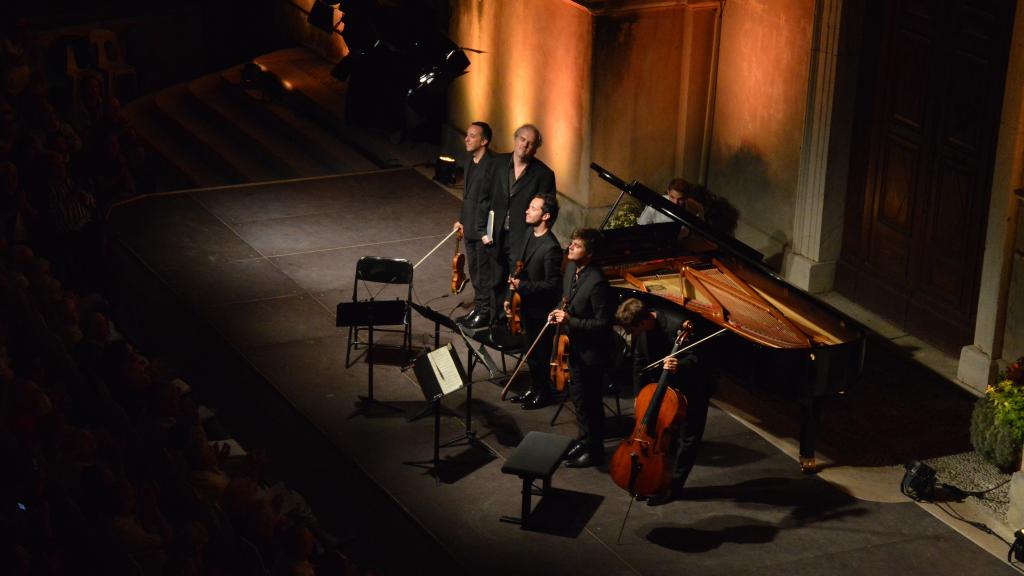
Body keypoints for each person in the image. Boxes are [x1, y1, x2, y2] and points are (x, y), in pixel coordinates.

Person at [615, 297, 714, 504]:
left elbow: (702, 359)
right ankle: (649, 480)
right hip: (660, 389)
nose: (633, 335)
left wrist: (680, 365)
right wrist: (638, 394)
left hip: (691, 388)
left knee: (686, 440)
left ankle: (672, 488)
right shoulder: (642, 329)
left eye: (633, 331)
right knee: (658, 439)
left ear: (643, 322)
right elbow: (639, 362)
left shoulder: (678, 324)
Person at [551, 228, 613, 468]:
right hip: (573, 349)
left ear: (590, 253)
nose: (571, 247)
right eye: (572, 243)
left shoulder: (598, 283)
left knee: (591, 403)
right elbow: (565, 301)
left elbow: (603, 323)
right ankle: (583, 439)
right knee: (578, 399)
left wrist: (570, 321)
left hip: (592, 354)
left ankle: (595, 450)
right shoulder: (570, 270)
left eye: (577, 245)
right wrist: (556, 311)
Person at [482, 124, 555, 324]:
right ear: (515, 139)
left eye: (531, 143)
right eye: (522, 140)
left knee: (516, 280)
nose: (525, 145)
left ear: (536, 148)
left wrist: (536, 237)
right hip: (496, 233)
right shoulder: (497, 163)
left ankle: (514, 323)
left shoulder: (544, 174)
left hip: (522, 238)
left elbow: (549, 210)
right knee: (495, 278)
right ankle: (494, 320)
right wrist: (483, 230)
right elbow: (484, 197)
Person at [502, 193, 562, 409]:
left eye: (533, 208)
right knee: (530, 352)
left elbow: (552, 285)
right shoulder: (529, 234)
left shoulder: (551, 248)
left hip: (540, 309)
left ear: (545, 215)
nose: (527, 211)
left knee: (540, 354)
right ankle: (534, 388)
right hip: (525, 305)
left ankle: (543, 393)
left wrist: (522, 287)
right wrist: (511, 296)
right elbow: (519, 268)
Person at [453, 121, 497, 328]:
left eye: (472, 136)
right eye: (467, 135)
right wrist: (461, 220)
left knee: (483, 273)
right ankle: (478, 308)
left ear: (484, 140)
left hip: (482, 231)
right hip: (469, 226)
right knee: (474, 272)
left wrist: (484, 231)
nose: (467, 139)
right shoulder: (470, 162)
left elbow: (491, 202)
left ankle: (486, 312)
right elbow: (468, 197)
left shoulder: (492, 166)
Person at [636, 177, 702, 226]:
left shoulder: (696, 208)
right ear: (668, 192)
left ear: (686, 197)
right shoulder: (654, 205)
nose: (675, 202)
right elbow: (641, 225)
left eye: (680, 199)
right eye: (672, 197)